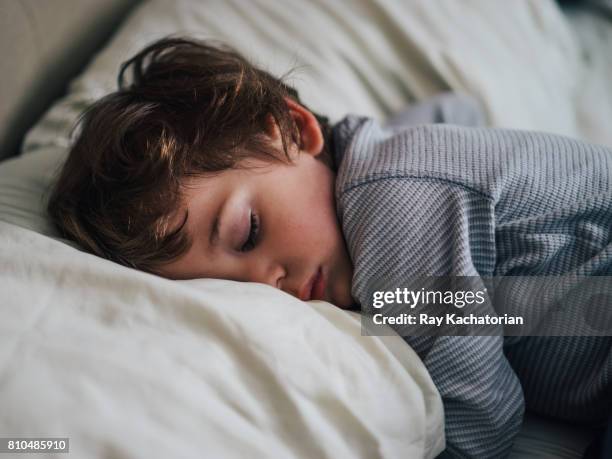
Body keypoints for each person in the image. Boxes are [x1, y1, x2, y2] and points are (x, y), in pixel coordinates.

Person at [47, 37, 612, 458]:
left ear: (292, 130)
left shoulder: (390, 216)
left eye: (248, 233)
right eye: (223, 288)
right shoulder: (382, 158)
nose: (267, 287)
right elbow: (453, 110)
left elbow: (482, 417)